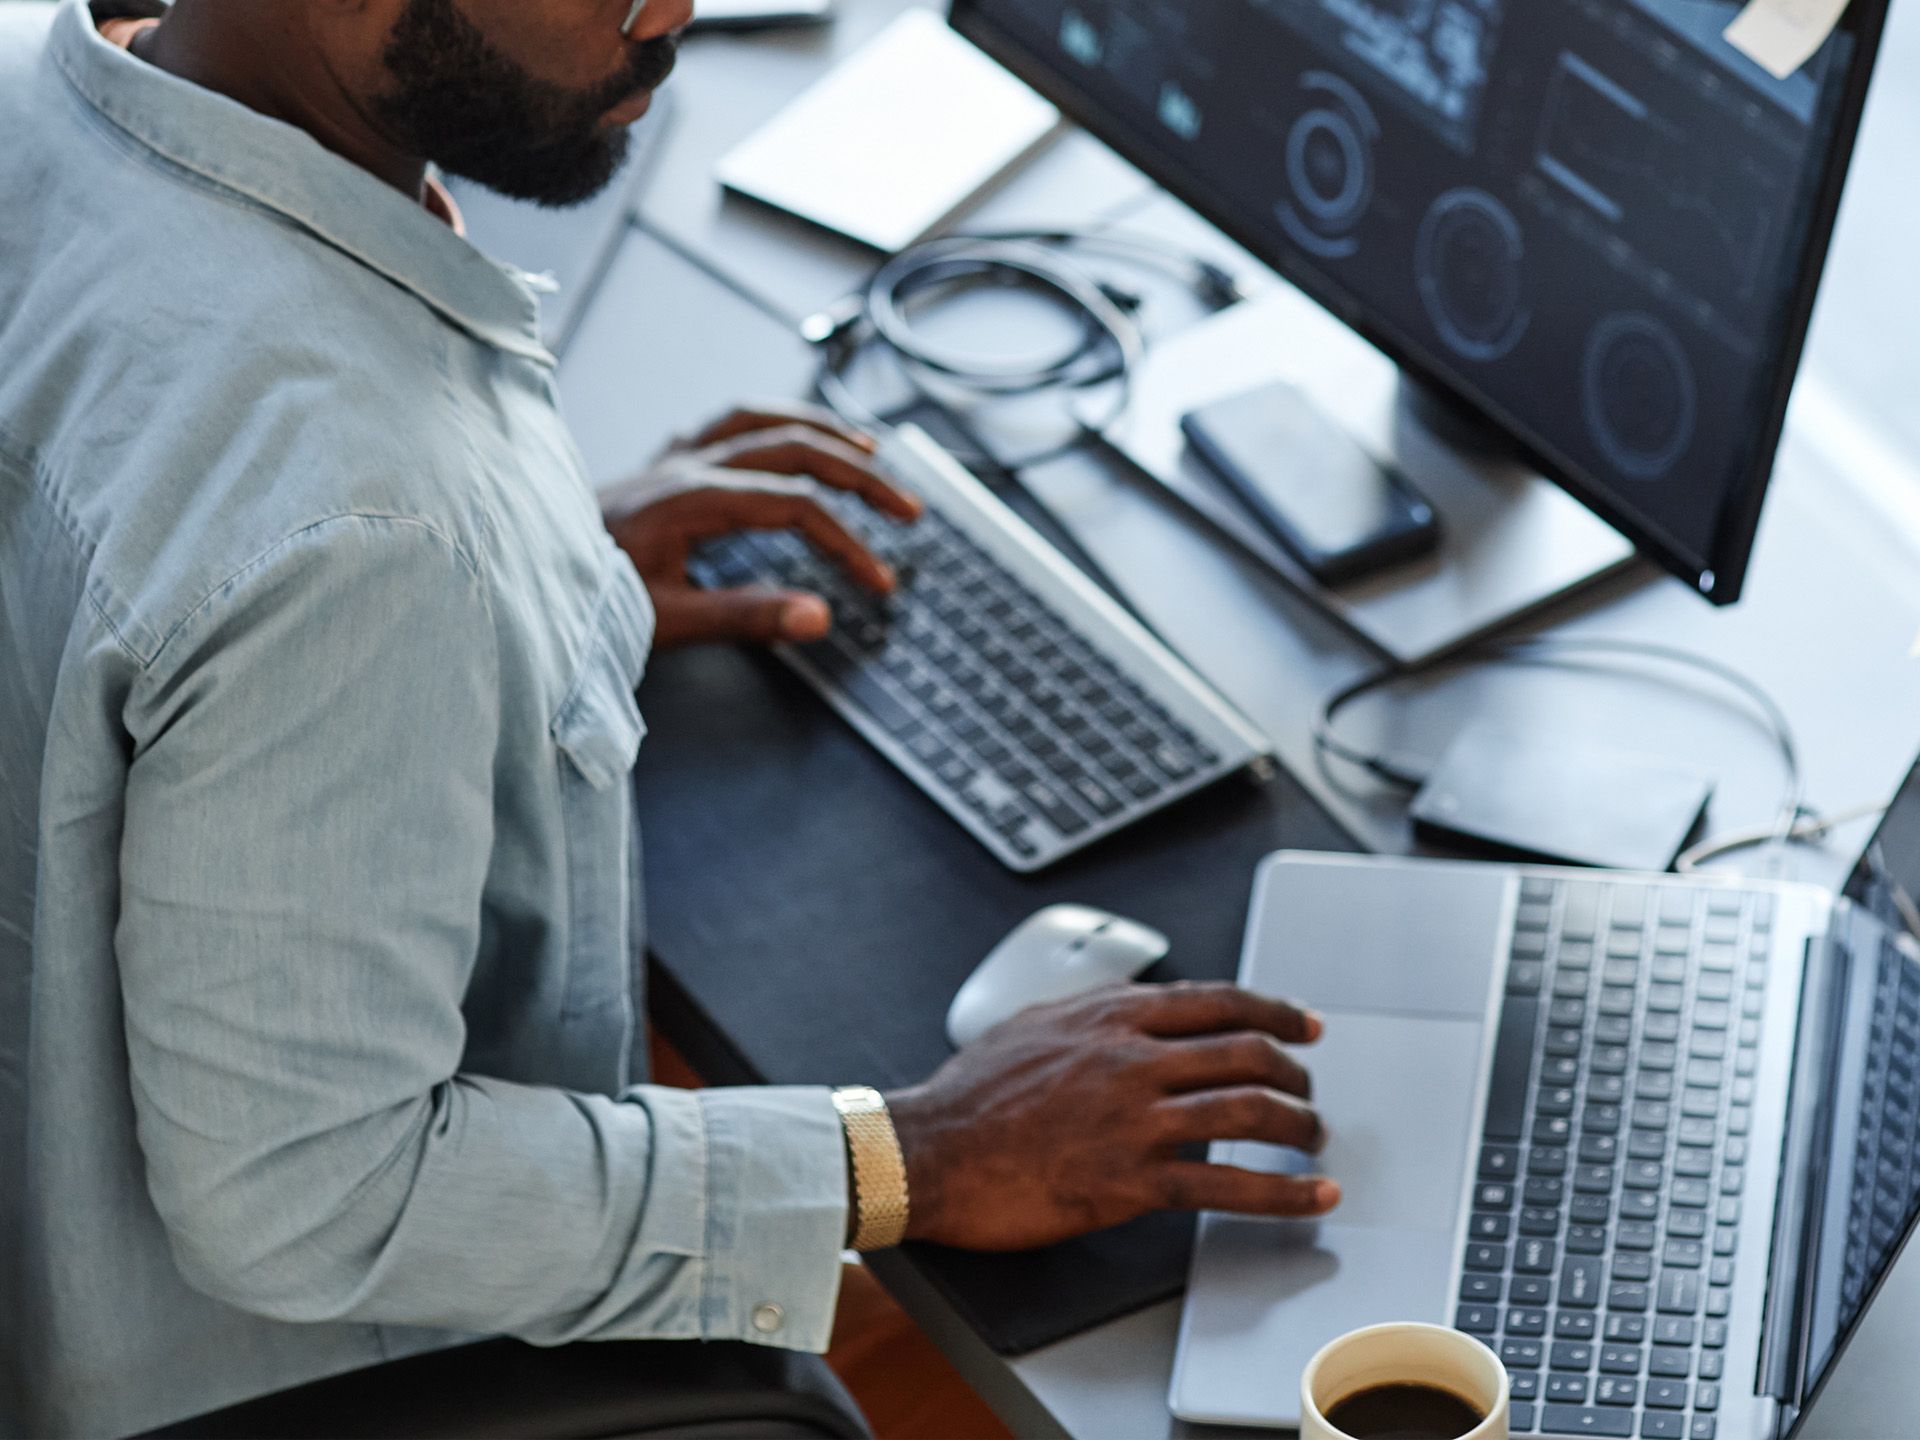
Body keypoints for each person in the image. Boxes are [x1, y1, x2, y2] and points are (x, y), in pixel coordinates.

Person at [0, 0, 1342, 1434]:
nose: (674, 11)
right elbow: (308, 1201)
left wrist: (526, 574)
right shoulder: (360, 530)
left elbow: (169, 551)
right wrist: (915, 1154)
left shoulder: (39, 92)